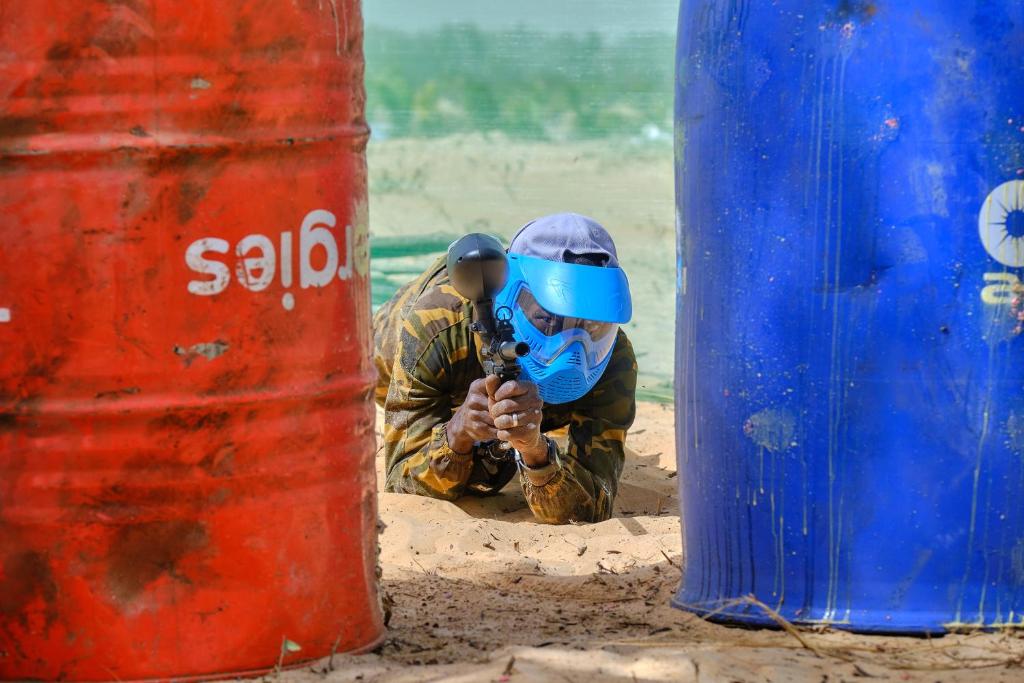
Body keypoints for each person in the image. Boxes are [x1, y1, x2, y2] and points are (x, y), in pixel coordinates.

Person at [373, 213, 637, 524]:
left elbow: (592, 502)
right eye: (548, 320)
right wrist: (457, 432)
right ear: (511, 300)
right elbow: (401, 481)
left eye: (592, 324)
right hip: (389, 352)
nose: (573, 351)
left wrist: (535, 452)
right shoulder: (437, 326)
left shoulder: (614, 360)